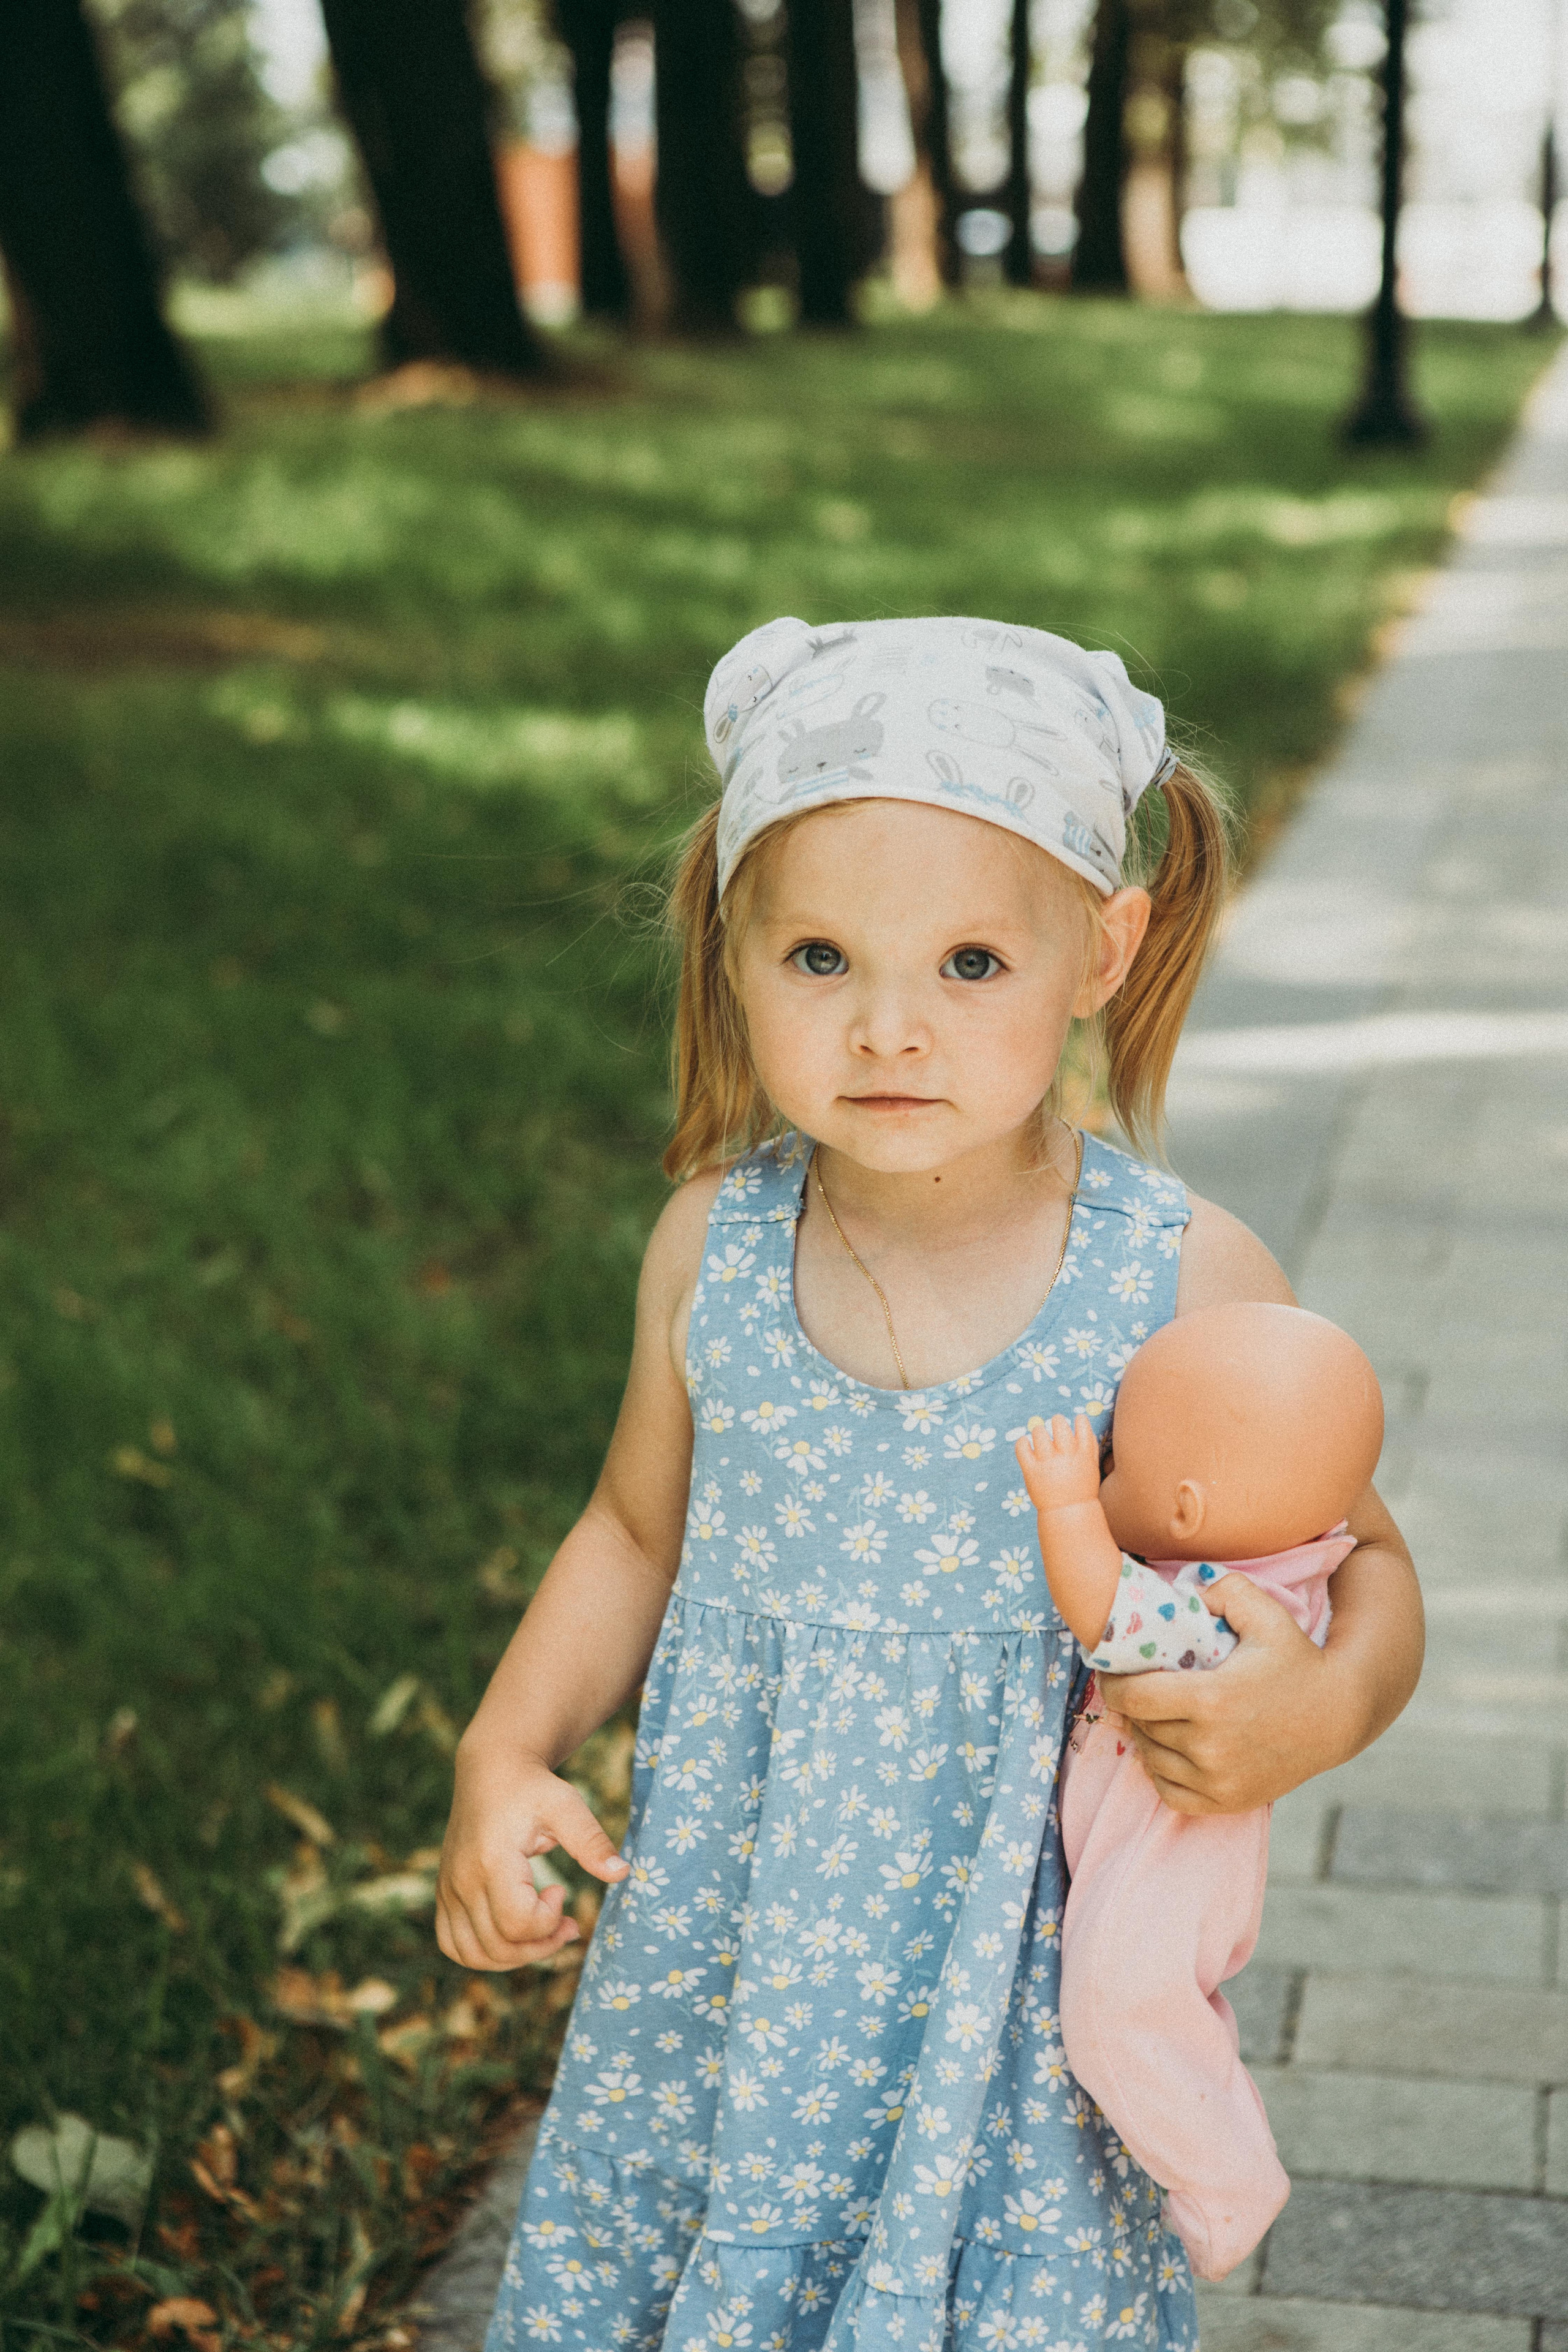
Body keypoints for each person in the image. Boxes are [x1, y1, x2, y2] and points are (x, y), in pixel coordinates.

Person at [437, 615, 1423, 2352]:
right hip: (730, 1968)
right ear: (728, 946)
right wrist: (506, 1751)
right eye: (820, 957)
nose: (890, 1028)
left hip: (1010, 1987)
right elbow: (633, 1530)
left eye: (971, 964)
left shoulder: (1178, 1277)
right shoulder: (712, 1253)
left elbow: (1369, 1563)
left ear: (1101, 953)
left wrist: (1322, 1703)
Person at [1014, 1303, 1385, 2280]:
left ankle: (1229, 2180)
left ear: (1179, 1509)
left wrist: (1064, 1505)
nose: (1101, 1474)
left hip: (1168, 1854)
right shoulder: (1297, 1573)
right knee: (1158, 2004)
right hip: (1185, 1849)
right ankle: (1219, 2143)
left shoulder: (1207, 1607)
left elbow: (1095, 1599)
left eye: (1115, 1464)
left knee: (1115, 2011)